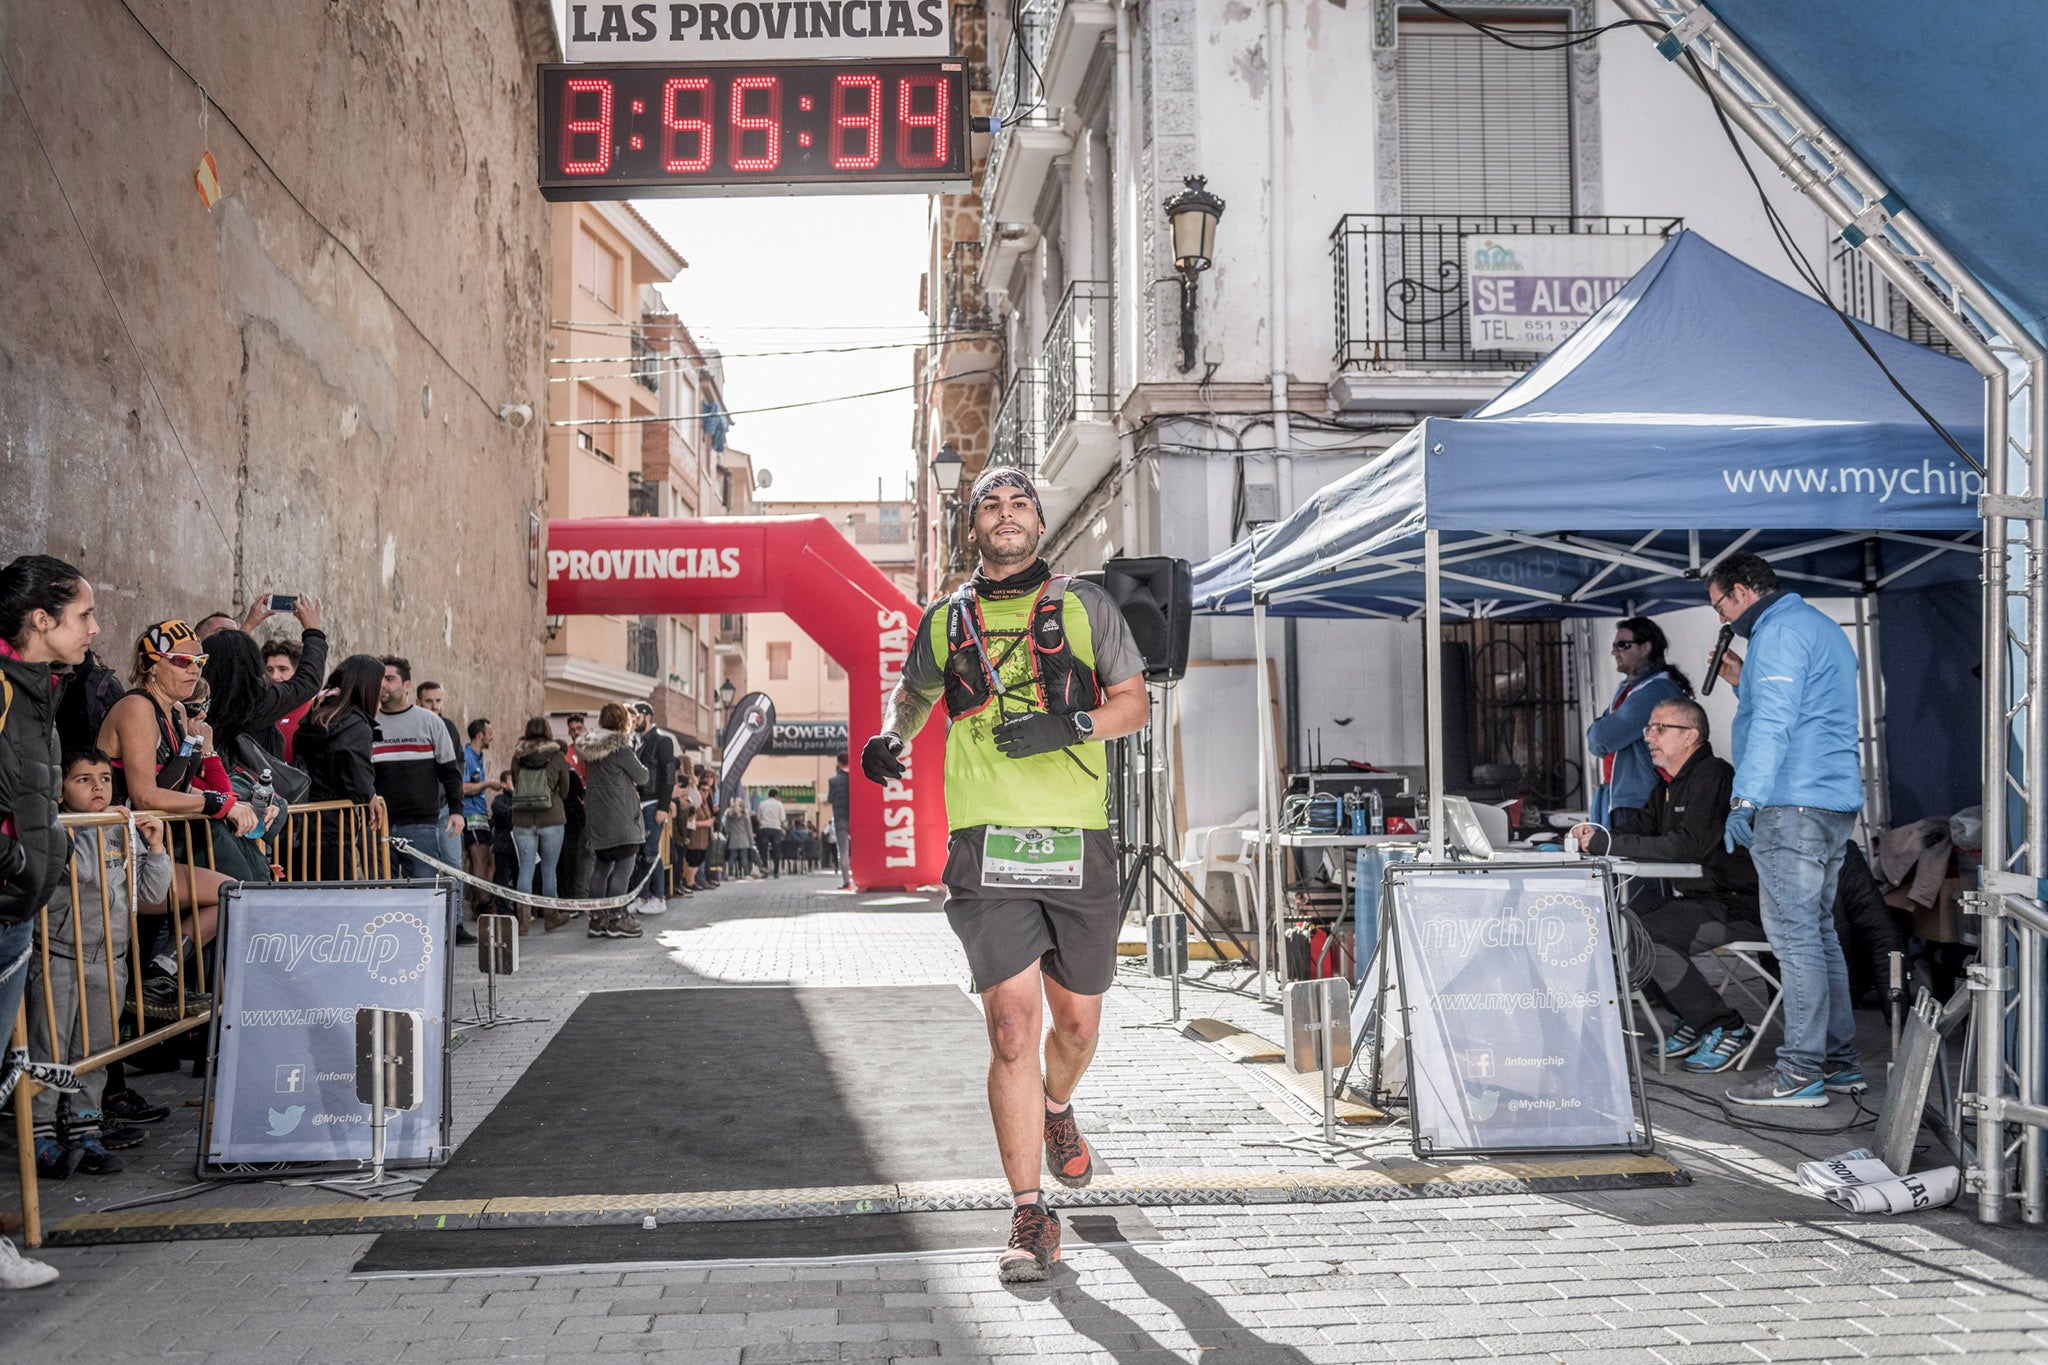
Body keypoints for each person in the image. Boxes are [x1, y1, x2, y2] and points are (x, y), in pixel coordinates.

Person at [861, 466, 1149, 1283]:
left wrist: (1070, 723)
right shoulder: (945, 621)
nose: (1006, 513)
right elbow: (912, 695)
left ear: (1038, 520)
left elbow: (1135, 703)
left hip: (1077, 839)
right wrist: (892, 736)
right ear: (973, 526)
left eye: (1018, 501)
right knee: (1012, 1028)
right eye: (990, 503)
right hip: (984, 845)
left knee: (1078, 1027)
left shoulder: (1088, 605)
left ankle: (1058, 1109)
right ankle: (1029, 1212)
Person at [1707, 552, 1865, 1106]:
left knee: (1796, 939)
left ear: (1743, 590)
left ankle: (1799, 1072)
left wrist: (1744, 799)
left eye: (1720, 605)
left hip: (1790, 803)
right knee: (1819, 934)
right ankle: (1841, 1062)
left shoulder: (1776, 632)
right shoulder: (1822, 627)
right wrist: (1740, 681)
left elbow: (1774, 725)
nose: (1723, 620)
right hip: (1832, 800)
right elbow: (1802, 710)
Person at [0, 554, 100, 1289]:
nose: (94, 629)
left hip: (14, 910)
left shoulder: (40, 690)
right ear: (41, 620)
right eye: (83, 616)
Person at [1573, 697, 1763, 1073]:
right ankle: (1692, 1018)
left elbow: (1686, 846)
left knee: (1650, 938)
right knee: (1627, 928)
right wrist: (1593, 835)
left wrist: (1606, 843)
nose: (1649, 737)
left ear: (1690, 735)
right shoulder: (1668, 785)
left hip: (1741, 904)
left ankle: (1725, 1027)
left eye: (1660, 728)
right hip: (1702, 900)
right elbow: (1637, 831)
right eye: (1648, 729)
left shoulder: (1713, 775)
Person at [97, 621, 259, 1014]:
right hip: (111, 855)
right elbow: (145, 793)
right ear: (152, 663)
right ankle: (155, 979)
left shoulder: (173, 712)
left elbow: (180, 787)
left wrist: (226, 799)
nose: (195, 669)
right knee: (229, 892)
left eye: (199, 661)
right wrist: (217, 805)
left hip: (147, 850)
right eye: (183, 660)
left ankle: (157, 976)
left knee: (231, 892)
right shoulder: (137, 707)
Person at [28, 750, 172, 1181]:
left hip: (109, 958)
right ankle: (40, 1136)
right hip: (58, 956)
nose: (98, 788)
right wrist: (91, 828)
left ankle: (85, 1130)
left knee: (96, 1051)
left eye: (106, 779)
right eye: (83, 780)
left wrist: (154, 847)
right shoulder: (56, 830)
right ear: (58, 790)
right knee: (50, 1048)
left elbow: (150, 892)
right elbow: (82, 876)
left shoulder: (117, 828)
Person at [373, 657, 470, 944]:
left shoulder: (430, 723)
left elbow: (449, 771)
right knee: (383, 896)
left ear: (406, 686)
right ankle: (391, 946)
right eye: (380, 678)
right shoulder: (367, 723)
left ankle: (424, 947)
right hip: (380, 827)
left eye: (389, 679)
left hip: (422, 825)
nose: (383, 685)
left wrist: (456, 811)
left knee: (425, 894)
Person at [1585, 616, 1691, 828]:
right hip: (1625, 796)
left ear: (1646, 647)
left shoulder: (1655, 690)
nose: (1615, 652)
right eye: (1614, 646)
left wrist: (1604, 726)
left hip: (1640, 799)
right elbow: (1599, 738)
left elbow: (1601, 738)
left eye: (1622, 645)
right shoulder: (1633, 688)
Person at [199, 597, 327, 762]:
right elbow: (308, 681)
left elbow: (227, 658)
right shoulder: (256, 706)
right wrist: (313, 631)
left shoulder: (195, 701)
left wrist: (248, 626)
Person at [295, 655, 385, 879]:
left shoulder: (318, 717)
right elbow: (358, 777)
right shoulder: (355, 726)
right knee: (335, 899)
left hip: (301, 823)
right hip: (333, 827)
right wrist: (370, 795)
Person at [577, 703, 649, 939]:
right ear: (623, 722)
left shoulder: (590, 749)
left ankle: (597, 920)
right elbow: (642, 776)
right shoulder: (621, 748)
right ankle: (617, 918)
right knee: (623, 869)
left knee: (601, 868)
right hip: (622, 818)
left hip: (599, 817)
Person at [507, 716, 572, 931]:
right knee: (549, 869)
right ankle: (551, 916)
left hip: (523, 819)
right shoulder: (557, 756)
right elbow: (565, 791)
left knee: (525, 868)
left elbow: (516, 784)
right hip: (551, 817)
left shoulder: (518, 757)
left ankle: (523, 922)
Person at [628, 702, 677, 915]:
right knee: (642, 853)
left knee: (650, 852)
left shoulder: (662, 741)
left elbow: (668, 775)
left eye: (637, 717)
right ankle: (643, 897)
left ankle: (659, 897)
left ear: (647, 716)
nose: (634, 722)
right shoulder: (634, 743)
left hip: (654, 803)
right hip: (638, 805)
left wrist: (664, 806)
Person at [460, 718, 504, 914]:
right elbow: (464, 787)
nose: (492, 736)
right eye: (490, 732)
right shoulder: (466, 756)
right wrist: (488, 784)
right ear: (480, 735)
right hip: (470, 815)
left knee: (487, 860)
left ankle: (481, 901)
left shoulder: (478, 756)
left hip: (480, 813)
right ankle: (484, 904)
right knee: (479, 859)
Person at [261, 638, 315, 761]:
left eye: (283, 669)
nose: (274, 676)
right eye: (269, 670)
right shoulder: (260, 711)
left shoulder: (314, 714)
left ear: (299, 673)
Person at [827, 752, 852, 889]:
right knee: (859, 849)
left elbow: (830, 799)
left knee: (843, 851)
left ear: (839, 763)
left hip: (840, 818)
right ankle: (861, 877)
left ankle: (846, 882)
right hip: (855, 818)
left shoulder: (833, 781)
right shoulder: (855, 778)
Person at [757, 787, 787, 877]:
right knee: (776, 850)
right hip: (776, 829)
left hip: (764, 828)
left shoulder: (762, 804)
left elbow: (759, 817)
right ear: (776, 795)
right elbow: (782, 818)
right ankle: (776, 871)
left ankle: (765, 870)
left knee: (764, 850)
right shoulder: (779, 804)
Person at [723, 794, 755, 879]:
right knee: (744, 858)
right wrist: (751, 842)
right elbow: (749, 829)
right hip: (744, 839)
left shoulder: (729, 816)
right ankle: (747, 874)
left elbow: (726, 829)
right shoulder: (745, 815)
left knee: (732, 857)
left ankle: (730, 875)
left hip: (733, 839)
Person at [562, 712, 589, 782]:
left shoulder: (593, 750)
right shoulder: (565, 753)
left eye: (579, 728)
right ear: (569, 732)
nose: (576, 732)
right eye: (573, 730)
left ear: (585, 729)